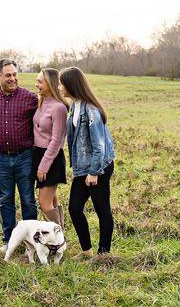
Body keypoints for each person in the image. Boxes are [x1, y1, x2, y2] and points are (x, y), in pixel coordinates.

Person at [59, 66, 116, 259]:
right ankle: (86, 251)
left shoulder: (91, 111)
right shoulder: (75, 106)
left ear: (70, 85)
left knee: (102, 210)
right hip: (83, 167)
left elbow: (99, 145)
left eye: (61, 83)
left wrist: (94, 172)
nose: (59, 87)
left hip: (98, 166)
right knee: (74, 208)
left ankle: (103, 254)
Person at [0, 59, 38, 254]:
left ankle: (32, 244)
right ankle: (9, 241)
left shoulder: (29, 98)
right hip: (1, 158)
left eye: (15, 74)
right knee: (5, 200)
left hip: (25, 156)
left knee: (28, 200)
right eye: (8, 75)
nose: (12, 78)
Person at [31, 68, 69, 228]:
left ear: (50, 84)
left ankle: (57, 241)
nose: (36, 84)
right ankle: (60, 237)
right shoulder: (41, 101)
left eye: (40, 81)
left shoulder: (59, 108)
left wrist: (43, 166)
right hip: (37, 154)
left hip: (51, 158)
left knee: (44, 202)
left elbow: (57, 140)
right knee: (53, 200)